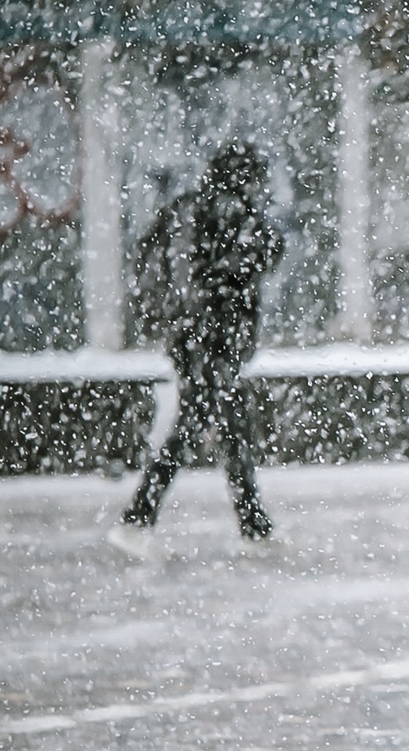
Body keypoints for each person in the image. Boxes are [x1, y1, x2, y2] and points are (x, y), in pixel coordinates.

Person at [110, 142, 282, 556]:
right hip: (215, 339)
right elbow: (247, 263)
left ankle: (252, 523)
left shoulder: (187, 208)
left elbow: (161, 265)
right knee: (203, 425)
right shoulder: (232, 213)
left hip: (190, 338)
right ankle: (140, 517)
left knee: (224, 424)